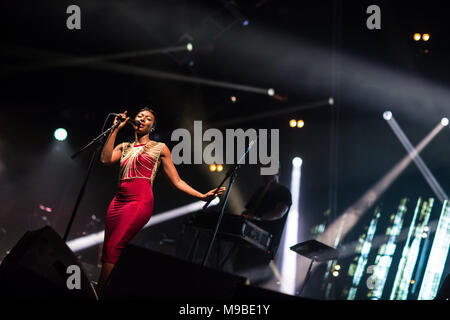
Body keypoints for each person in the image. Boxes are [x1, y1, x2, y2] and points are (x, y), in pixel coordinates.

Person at [97, 108, 225, 295]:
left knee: (113, 246)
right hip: (118, 201)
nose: (142, 119)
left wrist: (201, 195)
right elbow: (105, 159)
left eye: (147, 118)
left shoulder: (160, 148)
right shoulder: (124, 146)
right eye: (140, 116)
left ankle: (98, 293)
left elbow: (177, 180)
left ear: (152, 126)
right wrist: (115, 129)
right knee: (108, 249)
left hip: (139, 201)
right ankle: (110, 288)